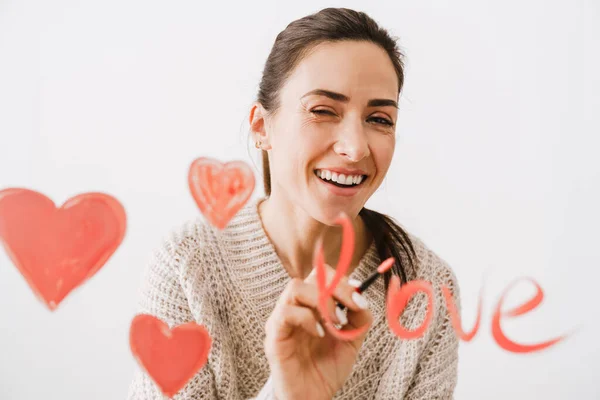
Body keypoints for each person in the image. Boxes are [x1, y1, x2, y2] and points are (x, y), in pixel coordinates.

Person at [127, 7, 461, 400]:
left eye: (380, 119)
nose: (354, 148)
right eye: (322, 111)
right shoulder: (188, 266)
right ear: (261, 127)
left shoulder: (425, 291)